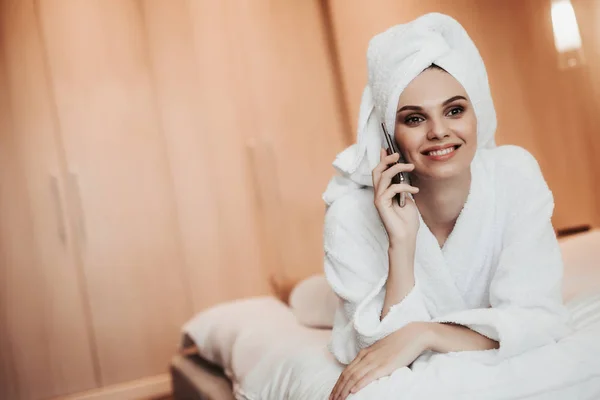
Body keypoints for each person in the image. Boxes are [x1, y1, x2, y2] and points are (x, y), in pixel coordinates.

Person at [321, 13, 571, 400]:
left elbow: (539, 320)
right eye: (415, 118)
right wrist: (401, 244)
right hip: (344, 291)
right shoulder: (350, 217)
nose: (438, 131)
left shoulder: (514, 173)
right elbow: (381, 356)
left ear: (477, 113)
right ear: (390, 133)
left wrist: (427, 333)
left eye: (455, 110)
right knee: (311, 304)